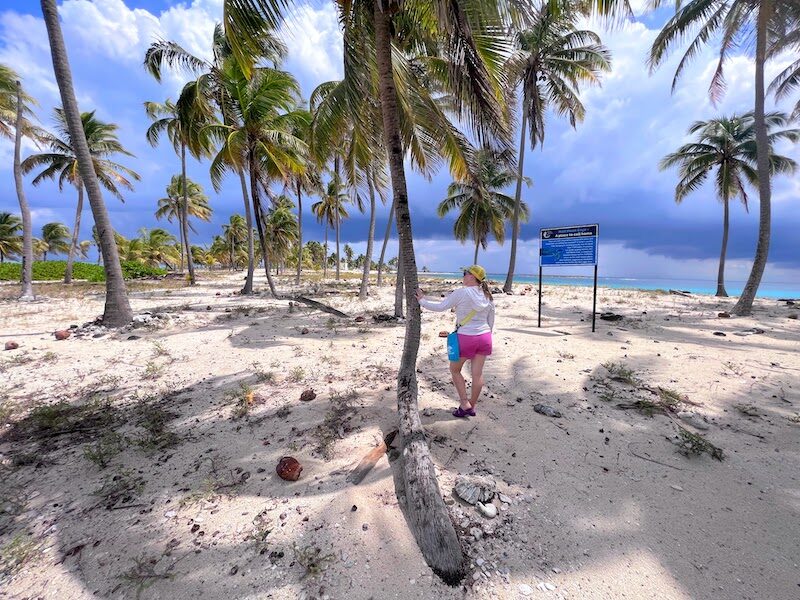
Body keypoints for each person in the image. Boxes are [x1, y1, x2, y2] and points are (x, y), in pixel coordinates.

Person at [416, 264, 495, 418]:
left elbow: (441, 307)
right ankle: (471, 406)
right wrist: (485, 335)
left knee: (455, 370)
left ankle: (464, 403)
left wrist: (422, 301)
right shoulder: (487, 295)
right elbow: (491, 320)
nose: (463, 276)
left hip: (466, 337)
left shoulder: (461, 293)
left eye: (465, 273)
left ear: (472, 277)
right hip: (485, 337)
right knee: (477, 375)